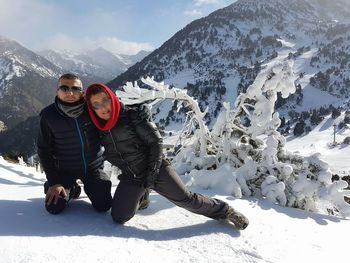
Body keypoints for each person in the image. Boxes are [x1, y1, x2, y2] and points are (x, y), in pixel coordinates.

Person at [85, 83, 249, 230]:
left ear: (113, 98)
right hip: (132, 176)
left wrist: (152, 174)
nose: (103, 108)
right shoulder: (98, 126)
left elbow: (156, 143)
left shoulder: (132, 116)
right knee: (119, 217)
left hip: (156, 168)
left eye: (105, 100)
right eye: (96, 105)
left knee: (186, 200)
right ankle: (142, 196)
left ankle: (225, 211)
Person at [37, 73, 113, 214]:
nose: (70, 93)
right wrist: (54, 182)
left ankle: (90, 186)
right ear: (57, 91)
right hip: (64, 171)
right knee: (54, 207)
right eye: (64, 88)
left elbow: (112, 109)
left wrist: (136, 111)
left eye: (75, 89)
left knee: (104, 205)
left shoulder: (92, 110)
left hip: (93, 169)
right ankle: (71, 188)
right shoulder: (48, 115)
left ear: (82, 93)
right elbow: (43, 149)